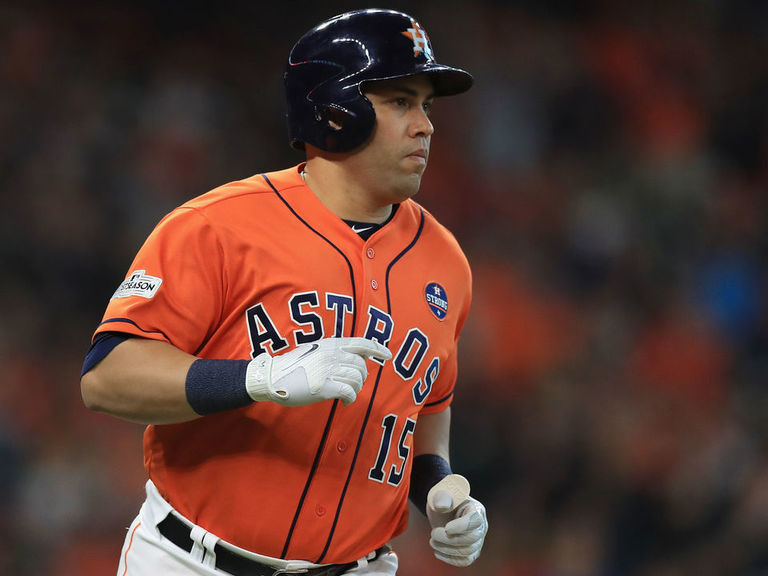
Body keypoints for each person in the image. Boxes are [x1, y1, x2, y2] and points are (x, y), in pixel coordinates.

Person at [81, 8, 488, 576]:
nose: (425, 125)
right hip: (194, 561)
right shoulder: (217, 225)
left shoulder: (446, 262)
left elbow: (424, 420)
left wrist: (441, 494)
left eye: (426, 105)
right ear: (335, 108)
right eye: (401, 101)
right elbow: (107, 378)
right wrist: (257, 378)